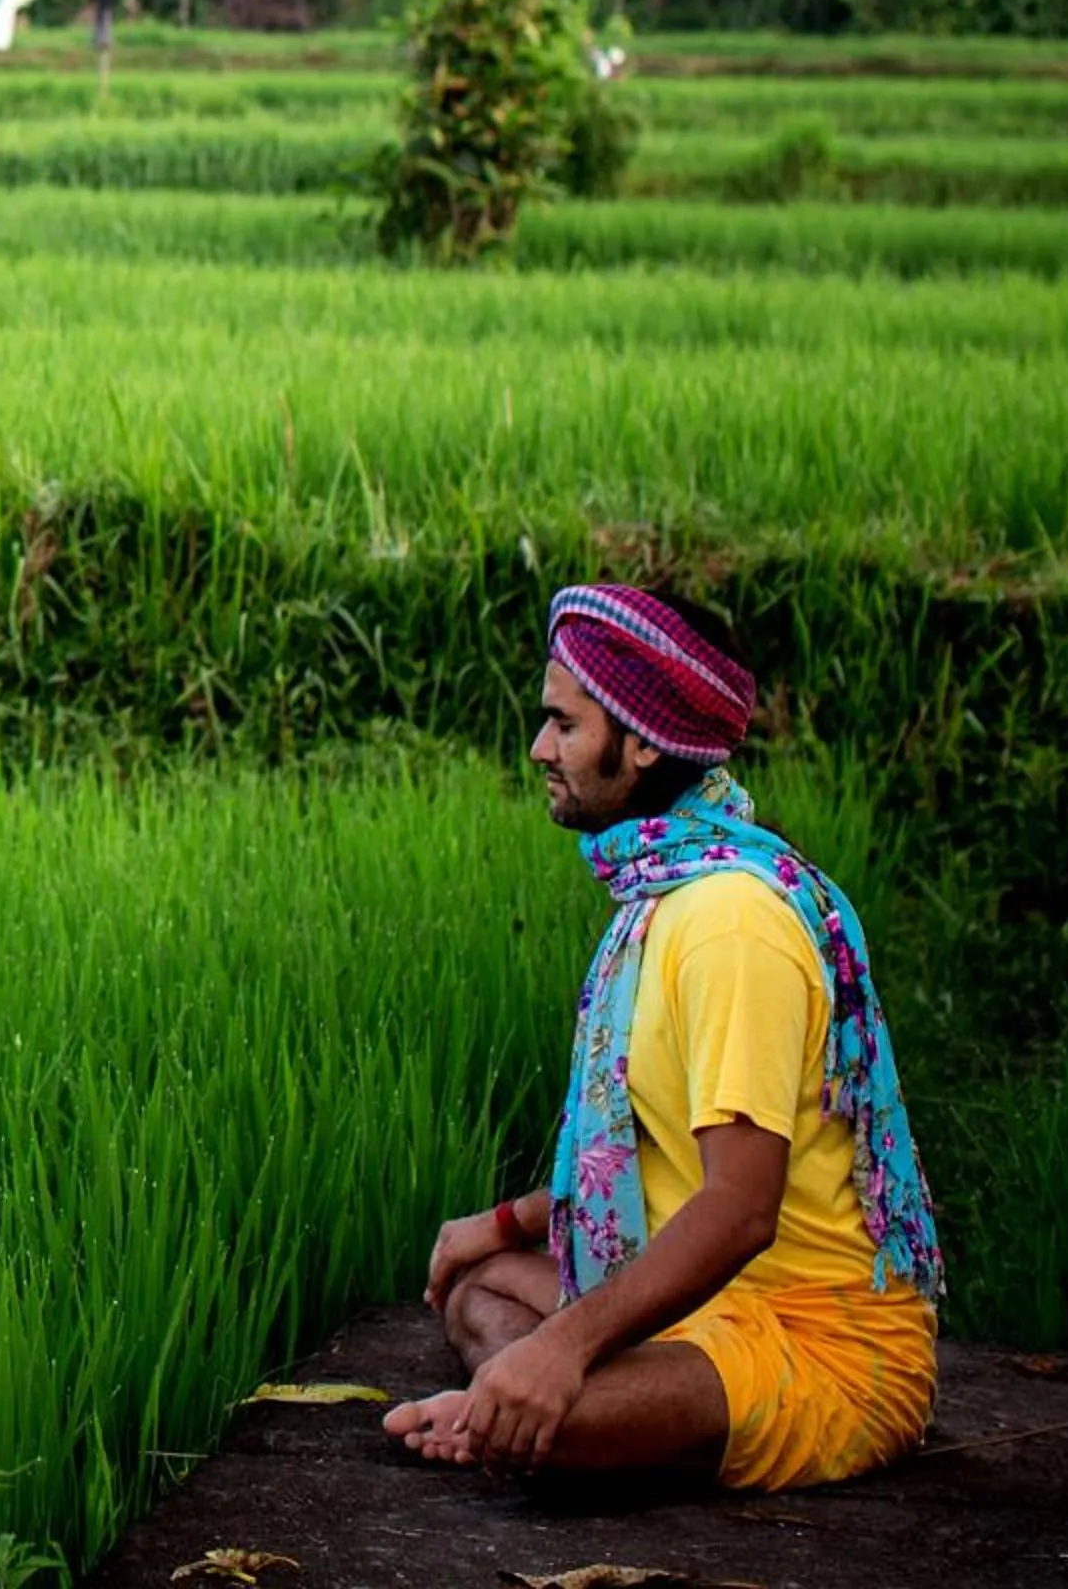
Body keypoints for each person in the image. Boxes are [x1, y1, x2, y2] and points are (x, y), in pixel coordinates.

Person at [383, 583, 942, 1488]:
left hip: (815, 1343)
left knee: (557, 1427)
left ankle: (514, 1408)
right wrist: (502, 1224)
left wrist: (559, 1350)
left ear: (642, 740)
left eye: (564, 724)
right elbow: (651, 1153)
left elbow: (741, 1208)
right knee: (478, 1287)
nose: (541, 749)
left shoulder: (730, 922)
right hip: (705, 1310)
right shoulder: (663, 892)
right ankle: (508, 1405)